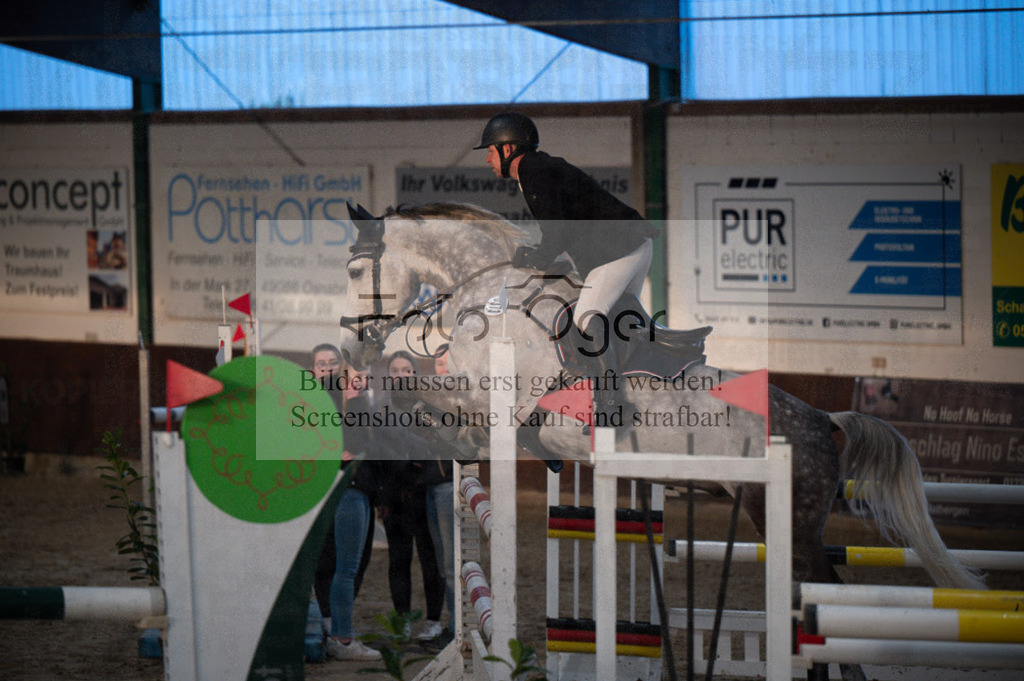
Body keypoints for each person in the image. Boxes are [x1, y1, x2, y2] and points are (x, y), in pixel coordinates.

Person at [474, 111, 659, 424]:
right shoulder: (538, 168)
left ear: (508, 150)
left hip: (620, 251)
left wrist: (536, 257)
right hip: (632, 246)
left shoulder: (533, 169)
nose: (487, 160)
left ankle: (611, 406)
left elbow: (558, 231)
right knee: (614, 319)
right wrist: (540, 254)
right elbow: (562, 229)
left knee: (587, 318)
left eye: (491, 151)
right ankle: (637, 388)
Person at [309, 346, 382, 662]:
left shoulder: (356, 399)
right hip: (344, 489)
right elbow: (354, 444)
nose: (328, 368)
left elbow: (364, 445)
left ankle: (337, 631)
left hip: (360, 488)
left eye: (333, 363)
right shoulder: (330, 402)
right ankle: (341, 638)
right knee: (345, 567)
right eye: (321, 364)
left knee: (350, 565)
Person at [377, 350, 447, 641]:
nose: (402, 375)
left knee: (431, 560)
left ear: (415, 374)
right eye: (396, 370)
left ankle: (433, 621)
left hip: (424, 493)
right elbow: (378, 454)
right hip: (394, 498)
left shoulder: (430, 408)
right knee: (398, 560)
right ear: (389, 374)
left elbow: (435, 446)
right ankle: (403, 620)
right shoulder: (379, 410)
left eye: (407, 370)